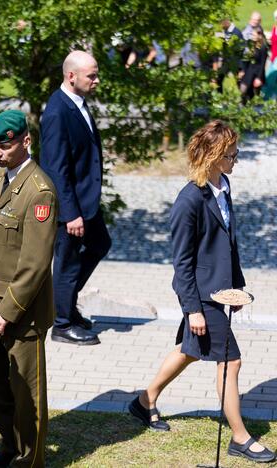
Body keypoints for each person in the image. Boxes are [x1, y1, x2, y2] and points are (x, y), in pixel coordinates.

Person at [129, 121, 276, 464]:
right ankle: (239, 438)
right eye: (231, 154)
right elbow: (182, 263)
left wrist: (237, 286)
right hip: (202, 296)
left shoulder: (223, 186)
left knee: (189, 350)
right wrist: (192, 309)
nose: (236, 159)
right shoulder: (188, 201)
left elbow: (228, 242)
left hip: (221, 292)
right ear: (213, 157)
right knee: (231, 361)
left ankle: (144, 401)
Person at [0, 110, 58, 467]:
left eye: (5, 145)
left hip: (21, 310)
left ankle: (29, 459)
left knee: (27, 391)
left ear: (26, 140)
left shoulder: (40, 191)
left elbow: (36, 262)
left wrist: (8, 311)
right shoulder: (0, 179)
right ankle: (10, 441)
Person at [40, 50, 109, 346]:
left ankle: (64, 304)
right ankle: (62, 324)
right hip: (71, 206)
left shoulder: (77, 103)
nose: (96, 80)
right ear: (71, 76)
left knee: (100, 243)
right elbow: (55, 167)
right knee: (66, 262)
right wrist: (69, 214)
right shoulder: (57, 111)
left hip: (86, 200)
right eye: (91, 75)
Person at [239, 28, 268, 103]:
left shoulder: (263, 48)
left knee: (253, 93)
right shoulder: (252, 45)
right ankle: (243, 106)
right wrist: (242, 70)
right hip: (249, 71)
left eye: (254, 35)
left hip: (256, 73)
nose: (252, 36)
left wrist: (259, 78)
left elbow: (262, 64)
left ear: (260, 35)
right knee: (244, 89)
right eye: (252, 34)